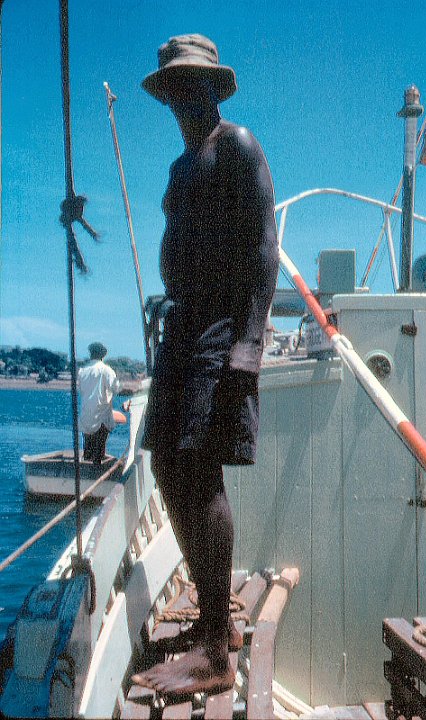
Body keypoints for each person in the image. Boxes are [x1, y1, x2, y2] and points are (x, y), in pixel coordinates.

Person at [133, 34, 279, 698]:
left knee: (199, 471)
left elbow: (264, 248)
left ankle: (216, 650)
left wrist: (249, 345)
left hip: (220, 327)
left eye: (192, 85)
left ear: (213, 89)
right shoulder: (180, 166)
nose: (180, 98)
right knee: (168, 463)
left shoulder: (236, 145)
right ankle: (215, 618)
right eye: (172, 88)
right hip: (182, 324)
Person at [78, 342, 120, 464]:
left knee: (88, 451)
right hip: (101, 417)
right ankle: (97, 470)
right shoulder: (107, 370)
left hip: (86, 415)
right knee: (98, 453)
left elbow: (82, 390)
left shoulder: (82, 371)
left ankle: (86, 470)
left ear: (90, 354)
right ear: (103, 356)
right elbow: (116, 388)